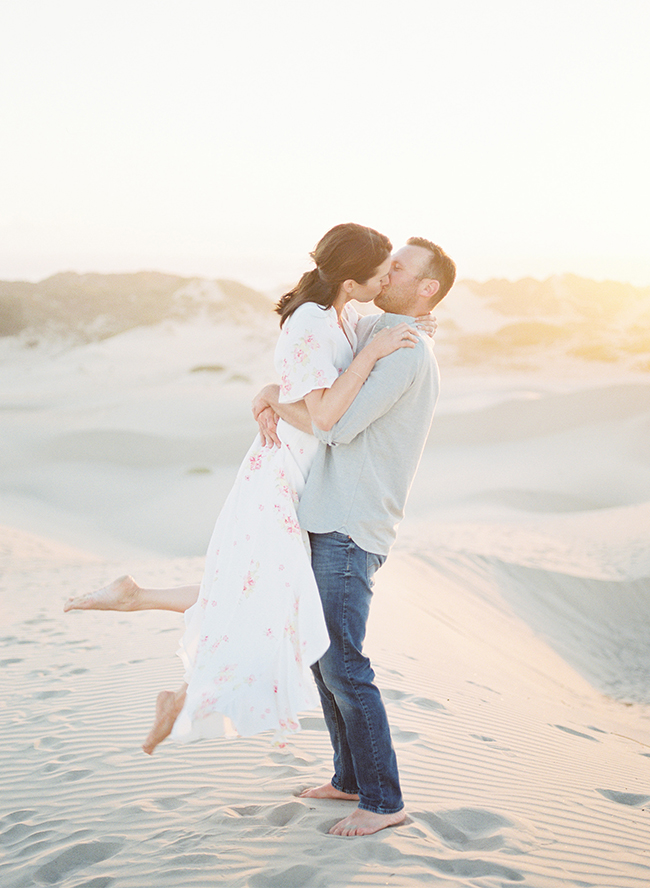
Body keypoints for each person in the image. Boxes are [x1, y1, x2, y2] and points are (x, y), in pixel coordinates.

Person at [64, 223, 425, 754]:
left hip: (305, 472)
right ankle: (155, 637)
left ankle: (149, 624)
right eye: (378, 275)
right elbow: (324, 414)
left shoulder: (338, 314)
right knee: (269, 594)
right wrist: (287, 390)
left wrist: (413, 324)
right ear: (349, 282)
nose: (384, 282)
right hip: (285, 474)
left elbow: (344, 360)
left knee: (264, 591)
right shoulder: (309, 322)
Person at [252, 237, 456, 836]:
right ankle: (348, 780)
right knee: (323, 657)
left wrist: (271, 398)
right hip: (327, 514)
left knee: (344, 663)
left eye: (399, 267)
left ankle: (384, 801)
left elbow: (334, 427)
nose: (385, 270)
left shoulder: (405, 351)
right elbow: (336, 327)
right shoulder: (380, 331)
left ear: (426, 288)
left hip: (351, 522)